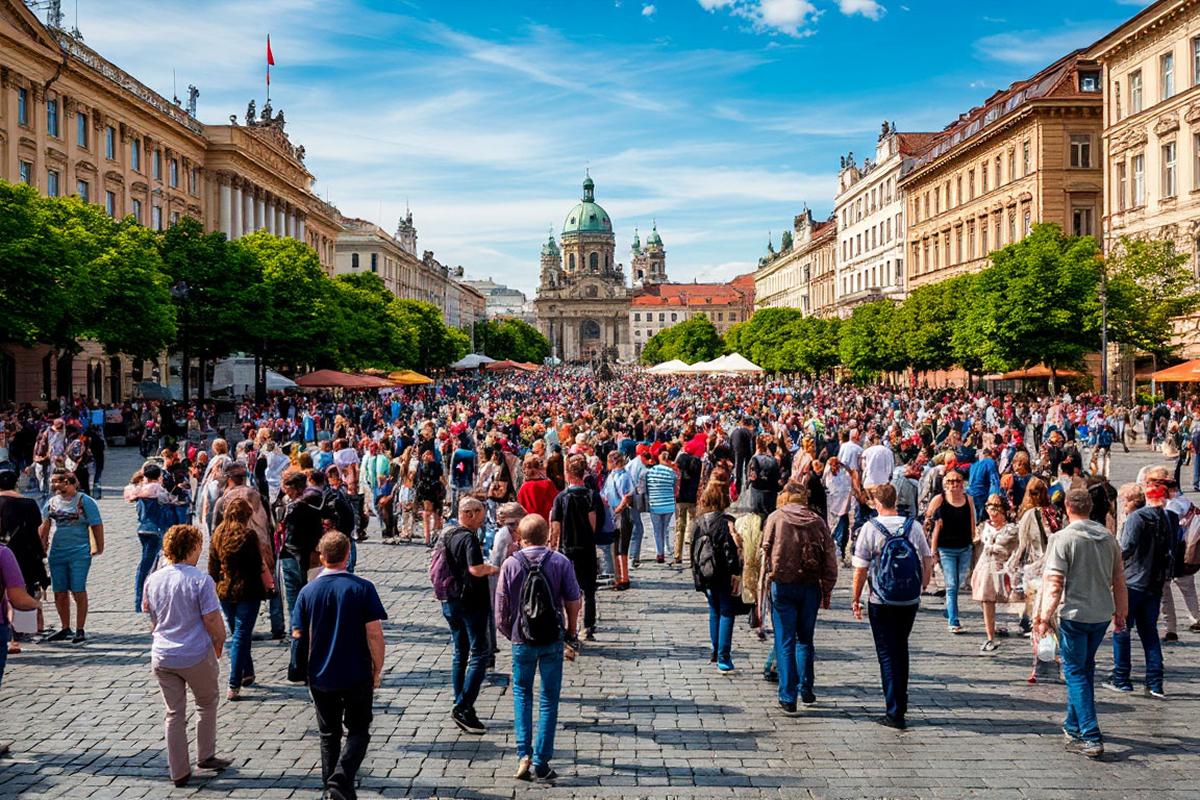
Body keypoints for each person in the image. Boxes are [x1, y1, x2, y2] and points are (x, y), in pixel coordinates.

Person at [292, 532, 387, 800]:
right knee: (359, 730)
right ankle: (341, 780)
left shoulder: (307, 592)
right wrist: (377, 668)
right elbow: (374, 634)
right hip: (356, 671)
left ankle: (331, 787)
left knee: (328, 734)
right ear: (347, 555)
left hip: (321, 672)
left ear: (321, 557)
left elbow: (298, 634)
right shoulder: (362, 587)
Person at [1035, 488, 1127, 759]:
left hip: (1074, 615)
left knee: (1074, 672)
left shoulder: (1062, 538)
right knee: (1085, 667)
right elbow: (1119, 578)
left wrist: (1042, 617)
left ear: (1066, 507)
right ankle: (1072, 725)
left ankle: (1090, 733)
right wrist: (1121, 611)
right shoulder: (1108, 537)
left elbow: (1054, 583)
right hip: (1100, 614)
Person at [142, 524, 232, 787]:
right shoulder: (200, 580)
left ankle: (178, 771)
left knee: (174, 713)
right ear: (193, 548)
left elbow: (152, 617)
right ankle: (205, 755)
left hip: (162, 654)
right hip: (194, 652)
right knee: (206, 703)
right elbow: (213, 620)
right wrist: (219, 643)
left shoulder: (153, 579)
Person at [494, 514, 582, 783]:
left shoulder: (510, 564)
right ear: (547, 536)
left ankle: (524, 753)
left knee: (521, 694)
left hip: (522, 639)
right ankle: (542, 761)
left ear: (520, 537)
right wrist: (570, 630)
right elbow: (574, 599)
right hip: (551, 638)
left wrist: (512, 634)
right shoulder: (559, 561)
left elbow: (500, 609)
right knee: (549, 699)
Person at [850, 483, 934, 729]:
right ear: (895, 500)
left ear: (877, 502)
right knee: (901, 648)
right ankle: (901, 702)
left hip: (881, 598)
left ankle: (894, 711)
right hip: (909, 598)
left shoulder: (870, 528)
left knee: (887, 654)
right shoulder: (913, 526)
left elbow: (861, 569)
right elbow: (927, 559)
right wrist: (923, 585)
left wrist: (855, 598)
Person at [761, 480, 838, 712]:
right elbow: (830, 556)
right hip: (810, 585)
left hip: (782, 583)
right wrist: (828, 587)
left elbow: (764, 551)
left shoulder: (776, 517)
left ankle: (788, 696)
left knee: (784, 640)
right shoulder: (817, 520)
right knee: (805, 639)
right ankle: (806, 689)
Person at [1106, 471, 1173, 697]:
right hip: (1154, 584)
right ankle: (1155, 683)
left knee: (1121, 629)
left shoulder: (1138, 518)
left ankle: (1121, 677)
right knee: (1149, 633)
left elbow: (1126, 549)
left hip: (1133, 583)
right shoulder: (1167, 517)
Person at [440, 497, 498, 735]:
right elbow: (475, 569)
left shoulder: (449, 533)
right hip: (470, 602)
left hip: (451, 600)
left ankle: (460, 702)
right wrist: (496, 568)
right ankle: (463, 706)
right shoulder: (469, 538)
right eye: (481, 514)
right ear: (470, 513)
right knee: (480, 653)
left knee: (459, 652)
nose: (483, 519)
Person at [208, 498, 267, 700]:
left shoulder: (218, 533)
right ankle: (234, 682)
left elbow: (212, 565)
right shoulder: (248, 535)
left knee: (239, 633)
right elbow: (257, 564)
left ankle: (247, 672)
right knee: (241, 635)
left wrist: (214, 586)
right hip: (247, 590)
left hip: (225, 590)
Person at [39, 471, 103, 643]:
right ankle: (65, 627)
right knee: (59, 591)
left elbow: (96, 524)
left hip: (79, 551)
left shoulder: (85, 501)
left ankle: (80, 629)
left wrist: (99, 546)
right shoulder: (51, 502)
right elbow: (45, 526)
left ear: (67, 482)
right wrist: (42, 545)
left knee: (78, 589)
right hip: (57, 552)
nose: (53, 485)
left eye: (56, 482)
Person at [692, 481, 743, 673]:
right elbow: (729, 550)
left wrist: (697, 575)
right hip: (722, 572)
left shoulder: (698, 522)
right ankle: (724, 656)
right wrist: (736, 572)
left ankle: (715, 650)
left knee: (714, 610)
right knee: (727, 611)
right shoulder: (724, 522)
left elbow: (693, 552)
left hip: (706, 572)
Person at [550, 456, 599, 639]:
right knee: (589, 589)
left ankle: (570, 627)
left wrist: (553, 547)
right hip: (586, 547)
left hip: (566, 548)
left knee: (566, 590)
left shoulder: (561, 498)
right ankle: (588, 626)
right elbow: (592, 523)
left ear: (567, 474)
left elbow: (556, 527)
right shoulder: (591, 496)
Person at [925, 469, 975, 634]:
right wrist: (933, 551)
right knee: (952, 585)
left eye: (958, 481)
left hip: (965, 547)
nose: (955, 484)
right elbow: (935, 528)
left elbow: (972, 521)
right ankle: (954, 621)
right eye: (951, 481)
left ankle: (949, 608)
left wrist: (974, 542)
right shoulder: (941, 500)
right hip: (946, 549)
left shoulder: (968, 499)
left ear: (962, 483)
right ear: (945, 484)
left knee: (959, 582)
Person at [125, 463, 179, 613]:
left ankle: (141, 600)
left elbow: (130, 495)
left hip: (142, 529)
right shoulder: (157, 490)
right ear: (159, 476)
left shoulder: (138, 489)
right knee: (149, 566)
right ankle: (143, 601)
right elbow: (170, 500)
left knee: (145, 566)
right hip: (155, 529)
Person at [971, 493, 1019, 652]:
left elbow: (1018, 549)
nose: (992, 511)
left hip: (1004, 569)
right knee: (986, 600)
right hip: (985, 568)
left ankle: (1023, 626)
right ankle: (990, 636)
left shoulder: (1012, 529)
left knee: (1015, 600)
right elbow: (975, 542)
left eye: (996, 507)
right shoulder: (984, 527)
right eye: (989, 507)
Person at [601, 451, 634, 590]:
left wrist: (617, 509)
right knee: (616, 545)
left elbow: (627, 496)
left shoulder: (623, 476)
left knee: (621, 546)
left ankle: (624, 577)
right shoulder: (613, 476)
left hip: (620, 512)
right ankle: (619, 576)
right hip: (613, 512)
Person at [644, 449, 678, 563]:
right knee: (665, 528)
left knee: (657, 530)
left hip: (655, 504)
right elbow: (675, 489)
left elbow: (647, 487)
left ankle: (660, 553)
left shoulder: (650, 471)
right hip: (668, 504)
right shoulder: (672, 472)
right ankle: (667, 548)